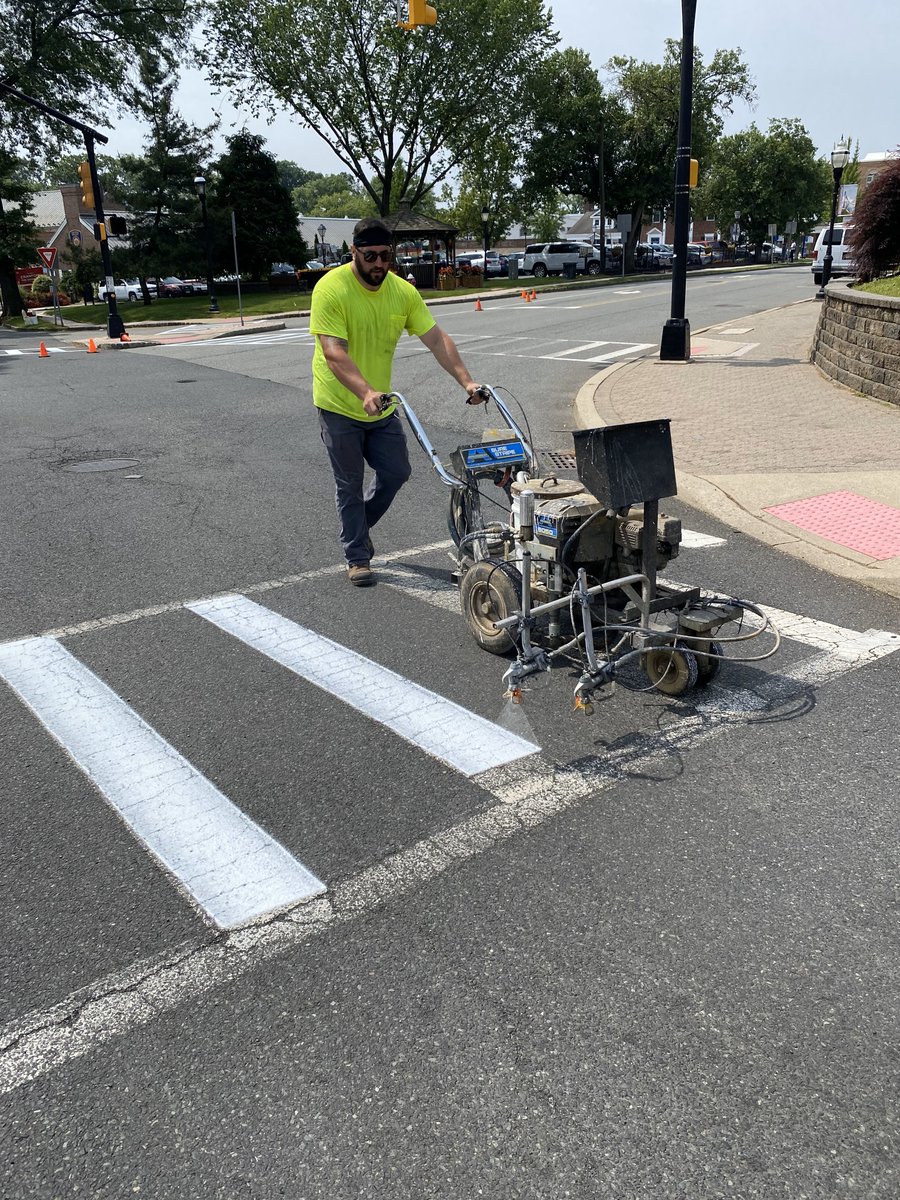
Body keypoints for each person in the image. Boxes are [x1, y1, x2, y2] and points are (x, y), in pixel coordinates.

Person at [310, 217, 485, 587]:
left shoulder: (401, 292)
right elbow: (333, 352)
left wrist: (467, 382)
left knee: (396, 472)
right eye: (370, 255)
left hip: (381, 406)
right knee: (350, 484)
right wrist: (365, 391)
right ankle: (357, 555)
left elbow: (436, 339)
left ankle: (356, 527)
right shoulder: (331, 288)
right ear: (353, 251)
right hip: (340, 404)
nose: (378, 264)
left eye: (385, 256)